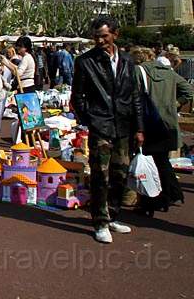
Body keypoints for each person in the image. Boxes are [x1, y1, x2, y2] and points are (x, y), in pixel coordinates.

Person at [71, 16, 144, 244]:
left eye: (104, 36)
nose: (100, 41)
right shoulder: (85, 61)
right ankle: (100, 221)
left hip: (123, 125)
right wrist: (89, 119)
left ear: (115, 35)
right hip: (101, 124)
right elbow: (77, 96)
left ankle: (112, 215)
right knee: (100, 175)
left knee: (119, 174)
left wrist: (139, 127)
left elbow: (135, 96)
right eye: (97, 37)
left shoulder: (127, 61)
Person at [134, 48, 193, 216]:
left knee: (149, 163)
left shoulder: (139, 72)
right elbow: (189, 91)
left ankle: (154, 200)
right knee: (162, 161)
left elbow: (134, 98)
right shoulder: (169, 73)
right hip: (168, 123)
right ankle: (172, 194)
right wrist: (175, 104)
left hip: (149, 124)